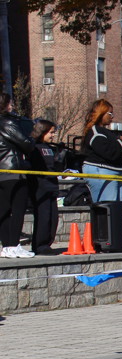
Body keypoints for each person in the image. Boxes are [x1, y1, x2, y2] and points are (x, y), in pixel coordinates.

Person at [81, 99, 122, 204]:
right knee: (108, 207)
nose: (112, 116)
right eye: (110, 113)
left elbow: (119, 151)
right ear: (100, 113)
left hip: (115, 172)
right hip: (102, 171)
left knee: (121, 207)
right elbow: (109, 153)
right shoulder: (95, 132)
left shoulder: (107, 132)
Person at [0, 93, 35, 258]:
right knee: (18, 210)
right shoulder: (8, 122)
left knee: (3, 211)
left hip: (2, 173)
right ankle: (14, 245)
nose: (12, 105)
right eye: (10, 103)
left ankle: (7, 246)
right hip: (13, 171)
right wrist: (32, 137)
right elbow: (26, 143)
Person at [28, 119, 64, 255]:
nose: (53, 135)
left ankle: (47, 243)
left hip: (51, 187)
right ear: (42, 132)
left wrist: (60, 155)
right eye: (51, 132)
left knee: (53, 218)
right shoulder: (34, 147)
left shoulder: (49, 148)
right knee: (44, 217)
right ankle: (40, 245)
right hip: (40, 188)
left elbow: (55, 167)